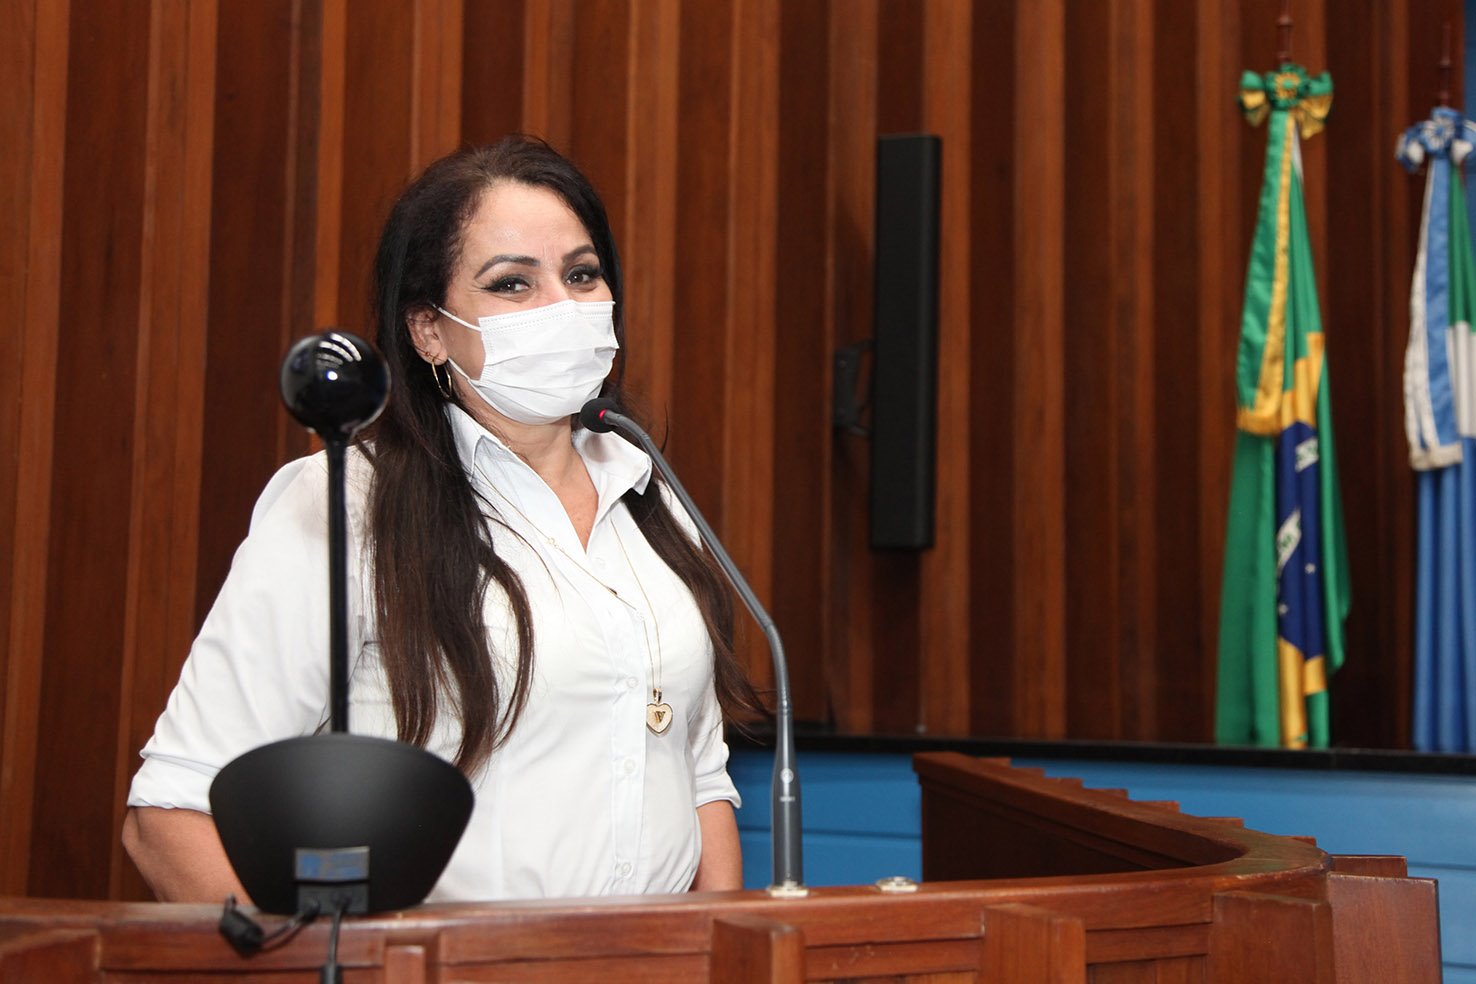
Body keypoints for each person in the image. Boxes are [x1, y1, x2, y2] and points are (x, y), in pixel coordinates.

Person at [122, 135, 761, 902]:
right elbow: (169, 815)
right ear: (429, 329)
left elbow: (697, 774)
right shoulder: (348, 503)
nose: (562, 308)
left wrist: (721, 948)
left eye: (581, 274)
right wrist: (304, 958)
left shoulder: (650, 493)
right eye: (512, 284)